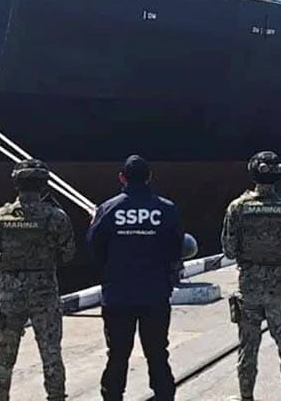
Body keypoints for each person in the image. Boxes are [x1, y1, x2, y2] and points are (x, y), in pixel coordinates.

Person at [221, 150, 281, 401]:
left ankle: (246, 397)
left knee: (247, 348)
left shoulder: (237, 207)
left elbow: (229, 250)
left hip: (249, 289)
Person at [86, 155, 184, 401]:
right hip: (155, 293)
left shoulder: (107, 209)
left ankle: (112, 396)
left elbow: (94, 248)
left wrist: (112, 271)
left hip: (118, 294)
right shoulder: (166, 209)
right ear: (149, 177)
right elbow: (177, 248)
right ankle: (164, 395)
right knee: (157, 353)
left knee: (117, 354)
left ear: (122, 178)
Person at [0, 159, 75, 401]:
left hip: (10, 295)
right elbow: (68, 255)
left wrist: (5, 260)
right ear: (44, 185)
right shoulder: (56, 217)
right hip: (45, 294)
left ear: (16, 184)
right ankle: (56, 396)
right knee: (51, 353)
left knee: (4, 357)